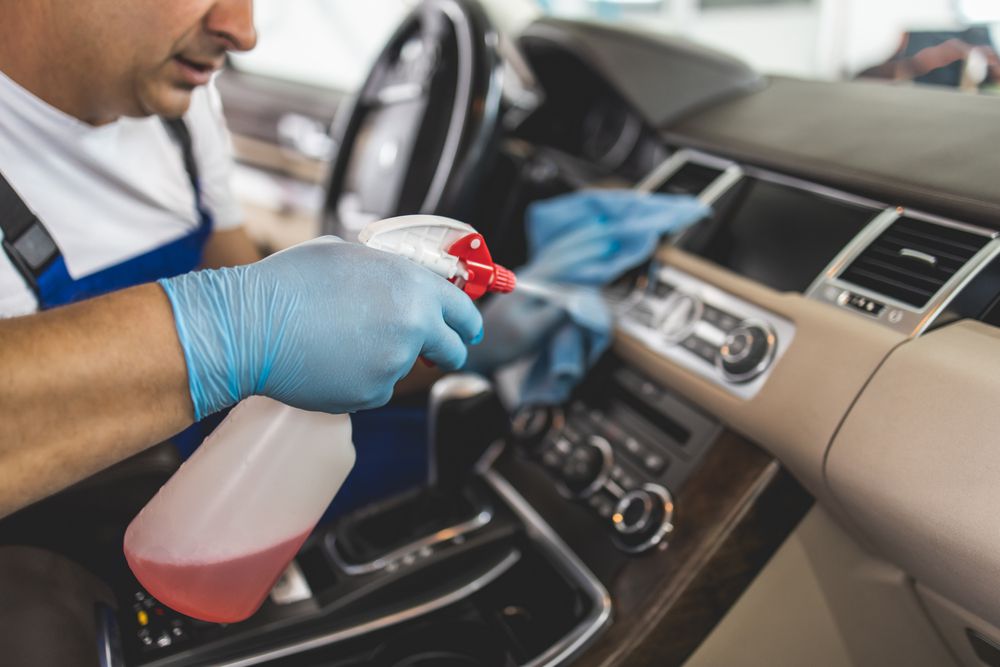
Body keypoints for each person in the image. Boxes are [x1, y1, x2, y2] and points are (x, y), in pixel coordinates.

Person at [0, 0, 483, 519]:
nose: (242, 31)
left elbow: (279, 350)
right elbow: (251, 326)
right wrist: (229, 328)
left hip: (207, 469)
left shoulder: (178, 113)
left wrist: (473, 338)